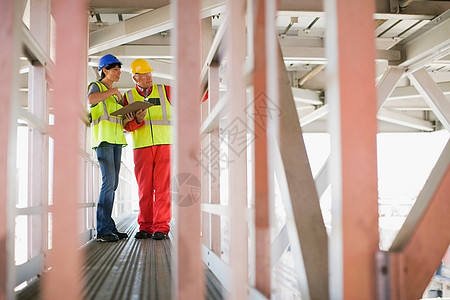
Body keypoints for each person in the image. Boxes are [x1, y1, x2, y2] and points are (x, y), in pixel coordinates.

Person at [123, 58, 172, 240]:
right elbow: (125, 126)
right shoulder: (128, 97)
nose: (148, 77)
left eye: (149, 73)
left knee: (162, 188)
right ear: (135, 78)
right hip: (141, 147)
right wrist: (137, 120)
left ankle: (161, 227)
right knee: (144, 189)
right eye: (144, 75)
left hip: (164, 145)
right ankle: (145, 226)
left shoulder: (165, 90)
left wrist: (209, 85)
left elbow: (192, 96)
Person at [88, 54, 133, 242]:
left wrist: (127, 120)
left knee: (113, 185)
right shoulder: (97, 86)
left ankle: (109, 225)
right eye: (115, 70)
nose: (118, 73)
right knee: (108, 183)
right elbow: (91, 100)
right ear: (104, 70)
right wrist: (112, 93)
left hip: (116, 140)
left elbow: (115, 119)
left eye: (119, 70)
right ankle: (103, 229)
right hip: (104, 141)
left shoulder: (115, 94)